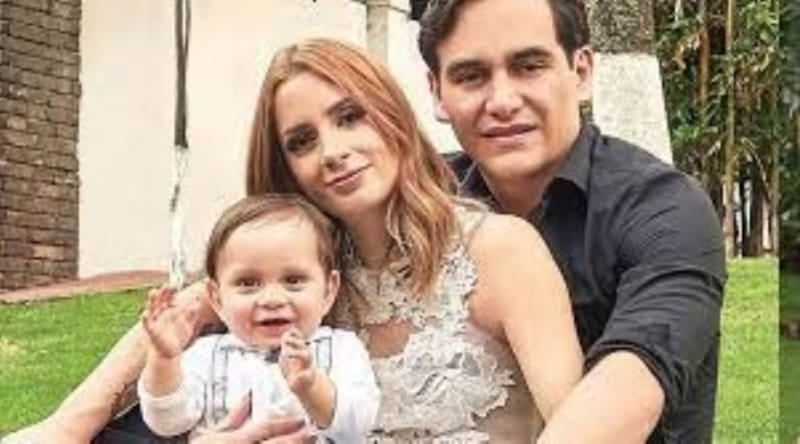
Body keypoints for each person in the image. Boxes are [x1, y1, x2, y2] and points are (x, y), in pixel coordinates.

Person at [4, 38, 582, 442]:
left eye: (350, 117)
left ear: (392, 115)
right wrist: (68, 426)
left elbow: (583, 424)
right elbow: (180, 315)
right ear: (287, 169)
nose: (333, 152)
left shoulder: (500, 250)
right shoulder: (295, 274)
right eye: (303, 141)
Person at [417, 0, 726, 442]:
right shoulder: (423, 202)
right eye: (471, 76)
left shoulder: (664, 210)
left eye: (529, 67)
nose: (502, 102)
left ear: (580, 73)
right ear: (436, 92)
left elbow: (627, 388)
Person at [137, 195, 379, 442]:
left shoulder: (342, 349)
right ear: (217, 298)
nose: (272, 299)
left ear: (328, 291)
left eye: (293, 280)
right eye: (247, 283)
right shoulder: (206, 355)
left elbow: (357, 426)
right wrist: (164, 359)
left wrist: (312, 387)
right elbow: (168, 422)